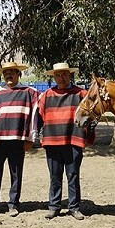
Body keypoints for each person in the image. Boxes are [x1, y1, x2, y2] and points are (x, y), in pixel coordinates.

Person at [0, 61, 39, 217]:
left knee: (16, 172)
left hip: (18, 139)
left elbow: (35, 116)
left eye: (12, 72)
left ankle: (13, 203)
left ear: (18, 74)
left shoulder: (29, 92)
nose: (9, 75)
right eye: (6, 73)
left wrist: (30, 138)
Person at [37, 62, 92, 220]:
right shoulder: (46, 95)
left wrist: (88, 135)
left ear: (70, 75)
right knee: (55, 175)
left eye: (64, 74)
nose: (61, 78)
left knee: (73, 174)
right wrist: (41, 135)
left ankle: (74, 207)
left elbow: (90, 116)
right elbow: (39, 117)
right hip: (52, 141)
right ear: (54, 77)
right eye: (58, 75)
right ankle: (54, 206)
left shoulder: (81, 94)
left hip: (73, 140)